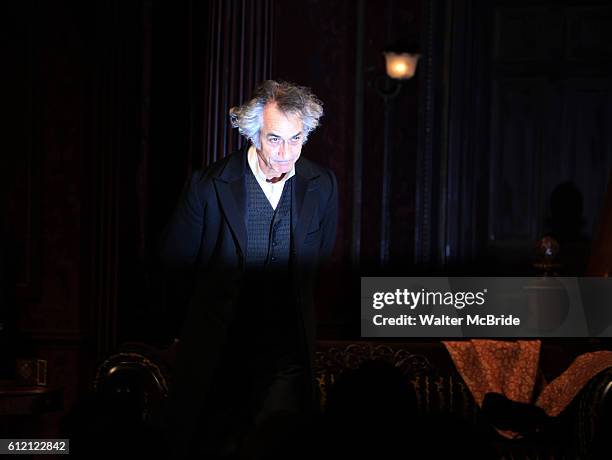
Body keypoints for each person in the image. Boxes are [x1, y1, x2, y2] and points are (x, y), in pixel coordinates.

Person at [158, 80, 338, 459]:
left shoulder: (322, 185)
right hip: (220, 352)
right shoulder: (208, 186)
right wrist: (179, 335)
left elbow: (318, 261)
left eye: (296, 138)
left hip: (286, 354)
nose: (287, 152)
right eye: (275, 139)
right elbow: (175, 266)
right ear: (253, 133)